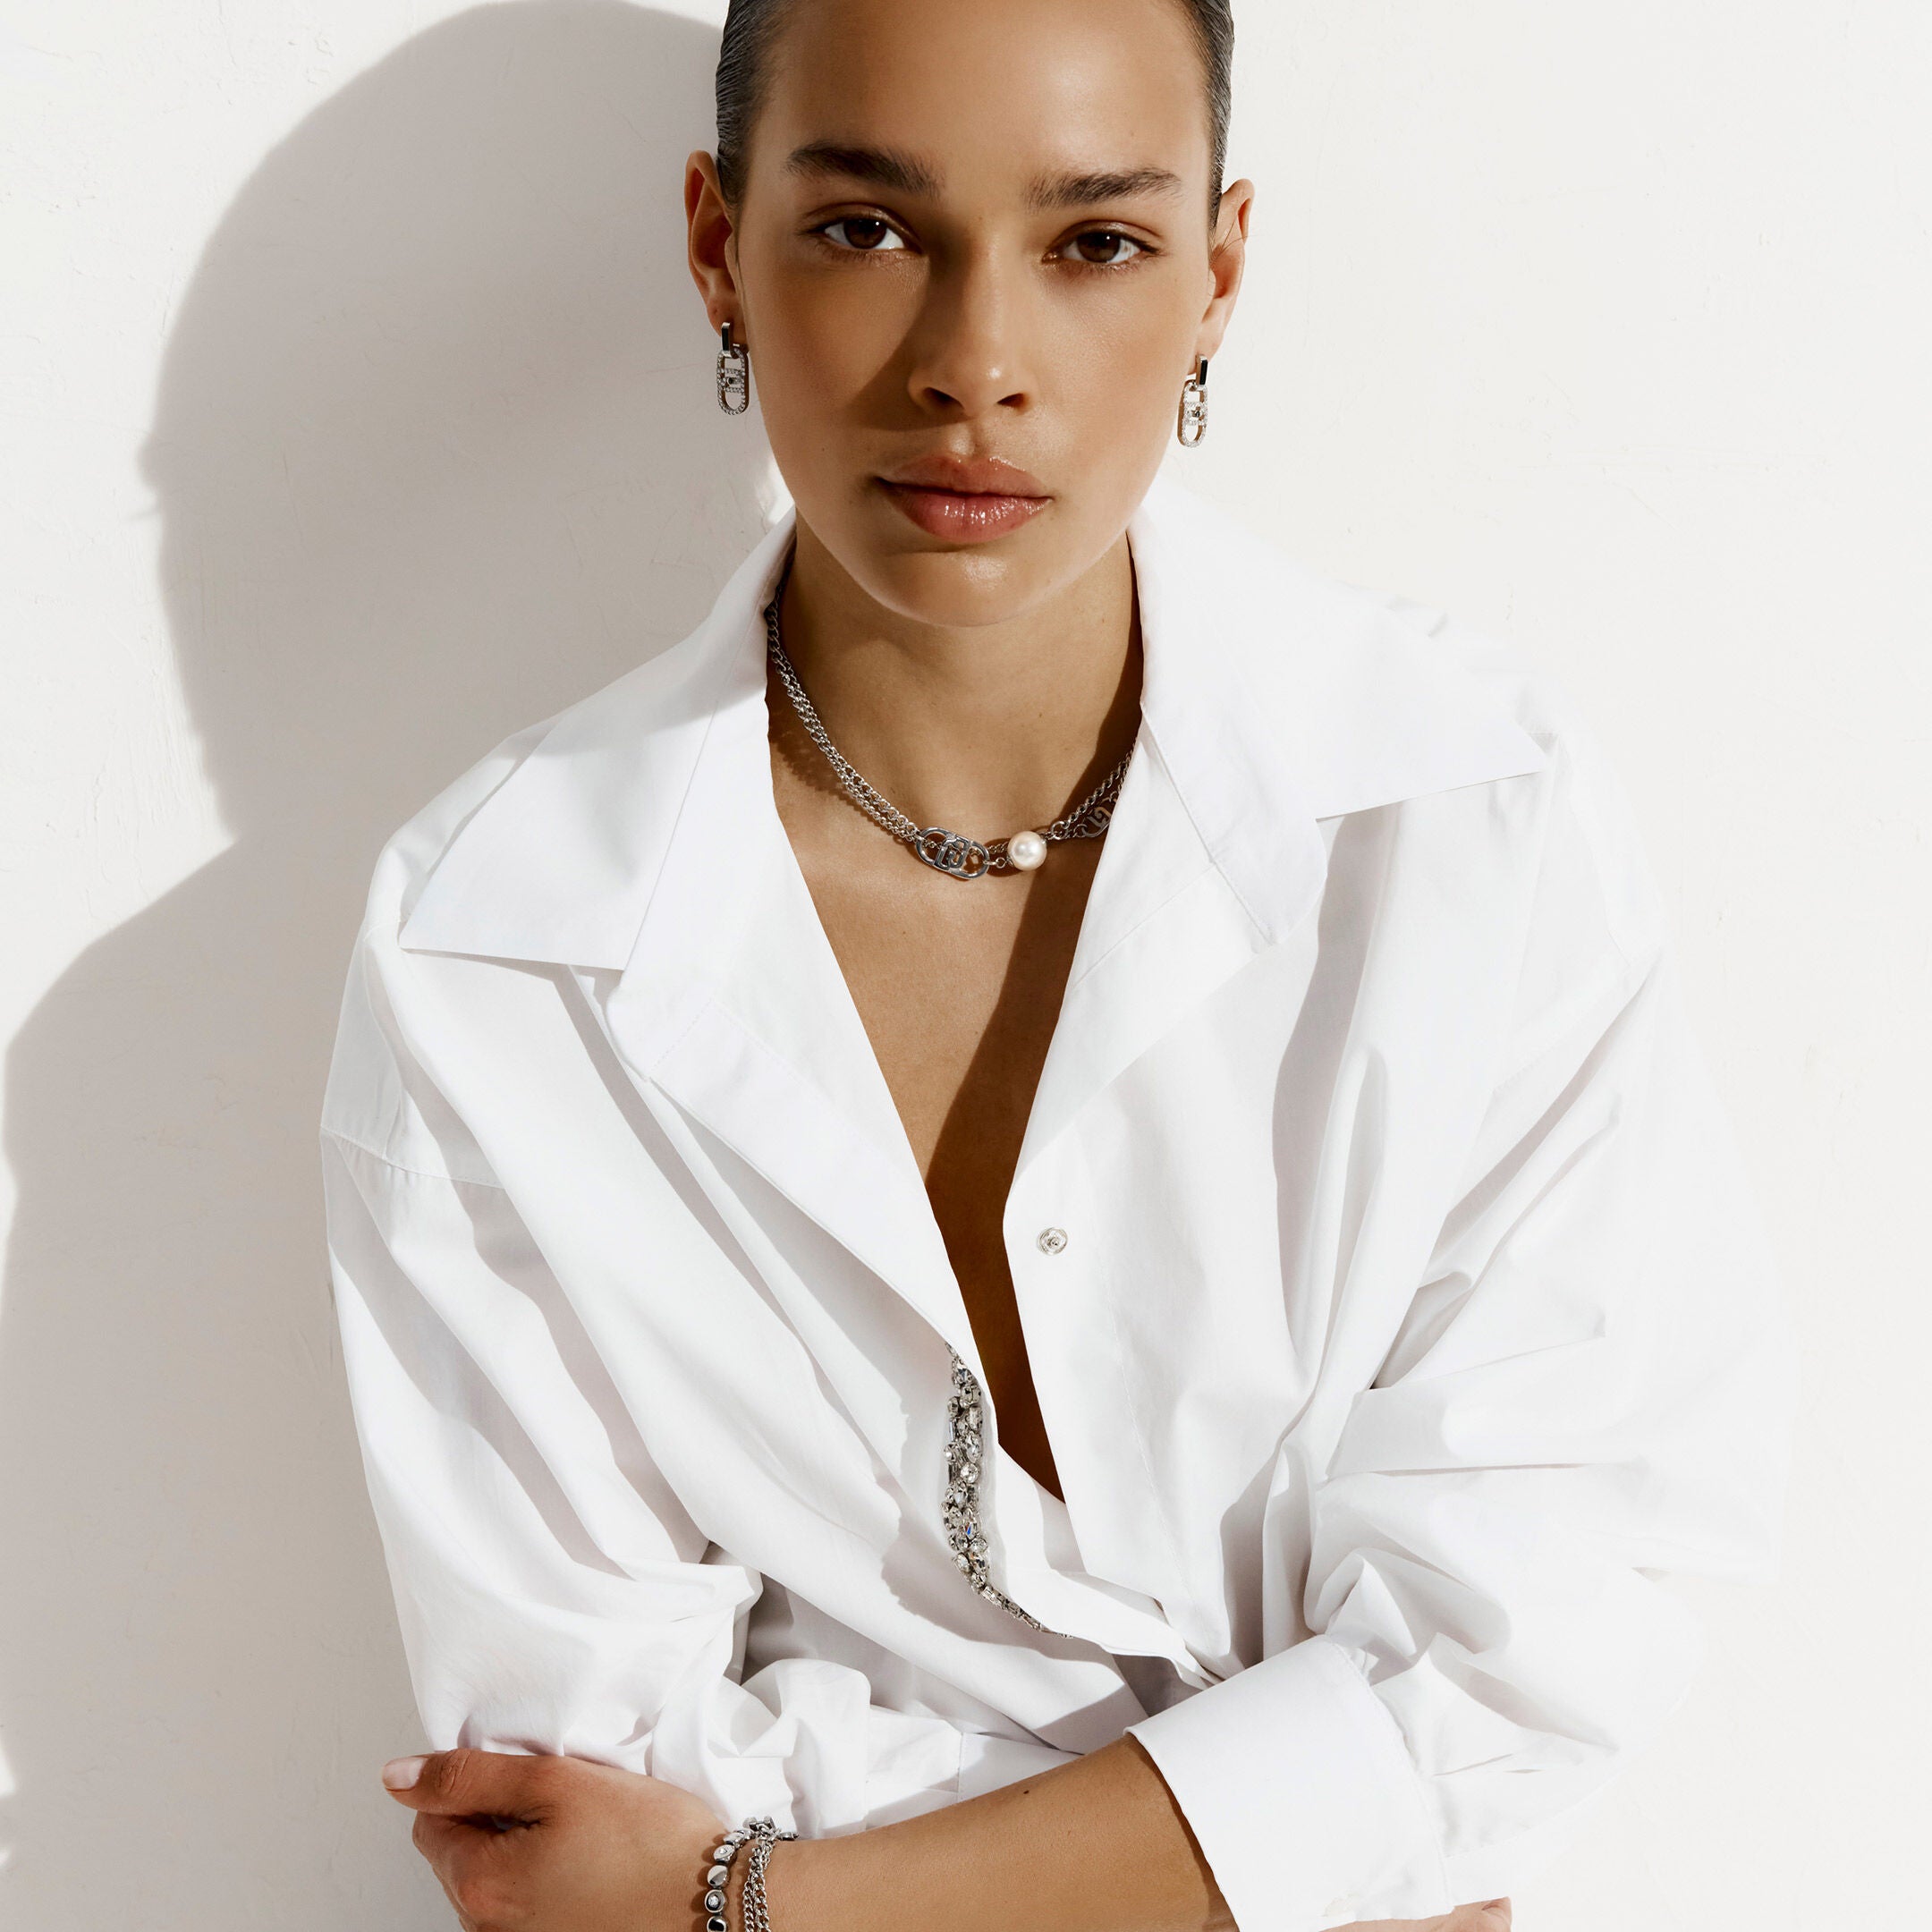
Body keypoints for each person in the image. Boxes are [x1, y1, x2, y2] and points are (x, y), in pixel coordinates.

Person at [317, 2, 1793, 1928]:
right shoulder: (492, 940)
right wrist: (1309, 1839)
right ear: (718, 246)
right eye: (868, 228)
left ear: (1218, 273)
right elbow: (574, 1792)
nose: (975, 363)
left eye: (1095, 240)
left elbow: (1532, 1657)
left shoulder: (1462, 820)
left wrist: (775, 1900)